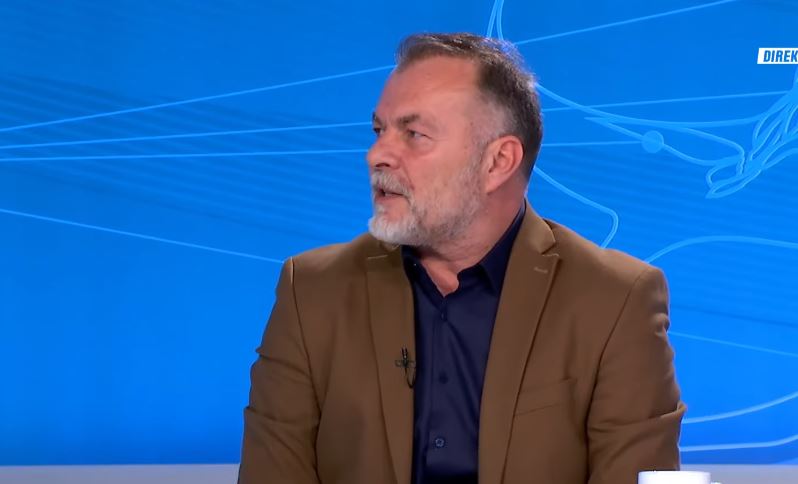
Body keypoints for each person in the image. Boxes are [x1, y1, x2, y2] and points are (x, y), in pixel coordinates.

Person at [239, 32, 685, 484]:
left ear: (498, 162)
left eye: (414, 134)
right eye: (379, 131)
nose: (377, 155)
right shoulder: (312, 291)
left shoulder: (614, 301)